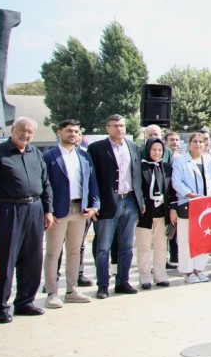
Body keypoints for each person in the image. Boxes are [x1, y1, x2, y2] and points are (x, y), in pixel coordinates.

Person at [0, 118, 54, 322]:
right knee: (5, 260)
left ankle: (25, 302)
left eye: (29, 132)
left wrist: (48, 211)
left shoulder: (35, 153)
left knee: (32, 258)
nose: (25, 135)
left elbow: (46, 185)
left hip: (35, 209)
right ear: (13, 130)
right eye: (22, 130)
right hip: (8, 210)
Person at [42, 119, 100, 307]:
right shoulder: (49, 157)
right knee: (53, 252)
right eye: (69, 131)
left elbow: (92, 184)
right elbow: (45, 187)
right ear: (59, 132)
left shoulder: (84, 156)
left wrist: (94, 206)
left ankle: (72, 289)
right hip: (58, 211)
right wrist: (48, 211)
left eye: (76, 131)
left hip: (80, 210)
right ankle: (52, 292)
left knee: (74, 251)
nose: (73, 134)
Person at [88, 114, 145, 298]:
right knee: (103, 247)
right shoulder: (96, 149)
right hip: (107, 204)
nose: (119, 129)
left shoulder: (133, 147)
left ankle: (122, 281)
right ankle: (103, 285)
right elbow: (92, 179)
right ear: (107, 128)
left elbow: (137, 176)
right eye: (115, 126)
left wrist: (140, 200)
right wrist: (93, 204)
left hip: (130, 201)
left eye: (122, 125)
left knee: (127, 247)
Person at [171, 132, 211, 284]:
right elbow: (176, 182)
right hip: (188, 203)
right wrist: (192, 195)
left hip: (206, 205)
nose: (198, 144)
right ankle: (188, 271)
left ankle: (199, 269)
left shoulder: (210, 161)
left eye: (201, 142)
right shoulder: (180, 161)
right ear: (189, 144)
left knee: (203, 238)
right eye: (195, 141)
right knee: (185, 239)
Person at [136, 138, 173, 290]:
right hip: (145, 213)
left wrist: (173, 209)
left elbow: (171, 190)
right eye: (153, 149)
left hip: (162, 212)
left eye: (160, 150)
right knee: (144, 246)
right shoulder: (139, 167)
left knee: (161, 246)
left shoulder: (167, 167)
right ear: (147, 150)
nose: (157, 153)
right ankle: (144, 276)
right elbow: (136, 188)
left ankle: (160, 275)